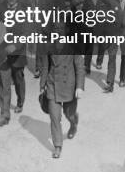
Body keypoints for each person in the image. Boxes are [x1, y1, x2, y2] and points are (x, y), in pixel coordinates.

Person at [37, 23, 85, 159]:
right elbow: (45, 67)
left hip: (69, 87)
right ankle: (58, 145)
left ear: (66, 31)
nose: (58, 32)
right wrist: (42, 84)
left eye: (60, 30)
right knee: (54, 117)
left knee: (68, 114)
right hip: (52, 85)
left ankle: (73, 122)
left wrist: (79, 87)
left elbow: (80, 67)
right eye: (55, 30)